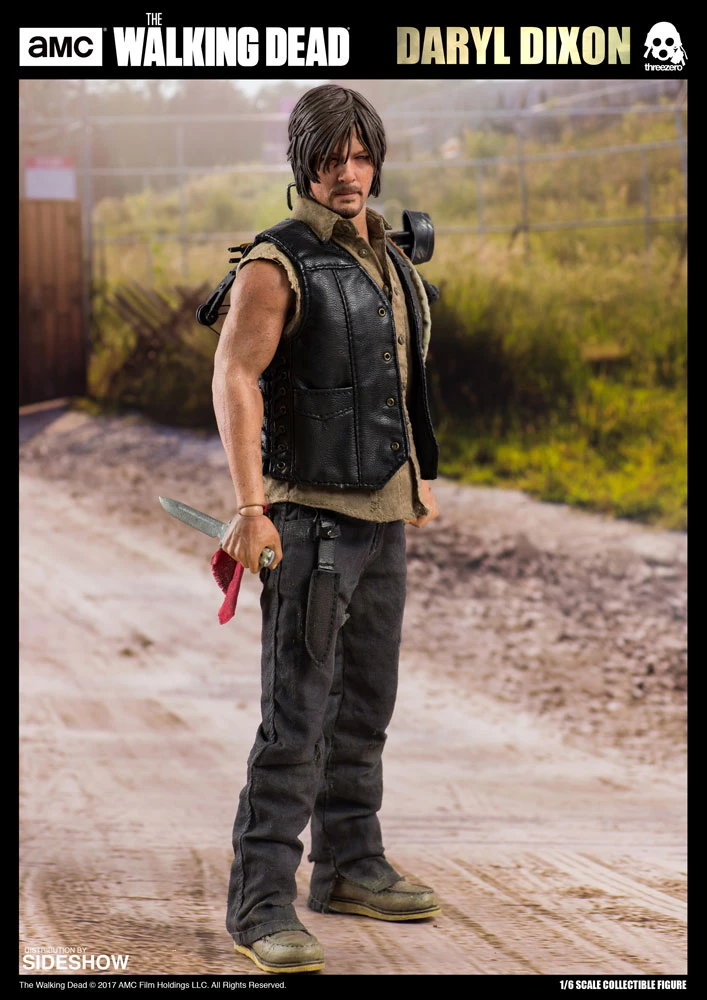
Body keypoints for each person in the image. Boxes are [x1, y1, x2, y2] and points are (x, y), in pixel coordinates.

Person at [212, 83, 441, 975]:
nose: (347, 173)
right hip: (310, 523)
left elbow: (391, 378)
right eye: (330, 157)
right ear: (302, 162)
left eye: (360, 155)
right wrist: (250, 508)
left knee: (364, 707)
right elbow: (235, 377)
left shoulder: (388, 255)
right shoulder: (278, 263)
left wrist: (415, 481)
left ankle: (348, 864)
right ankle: (260, 901)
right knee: (295, 719)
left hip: (383, 516)